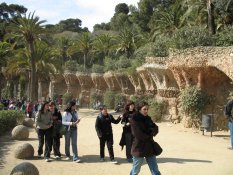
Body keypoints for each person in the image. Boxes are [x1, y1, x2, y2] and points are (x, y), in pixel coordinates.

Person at [130, 101, 161, 175]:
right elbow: (138, 134)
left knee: (155, 170)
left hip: (149, 147)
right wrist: (150, 134)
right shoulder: (134, 119)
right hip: (139, 148)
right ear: (140, 109)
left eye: (147, 109)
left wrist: (152, 131)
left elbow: (155, 128)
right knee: (135, 170)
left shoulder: (148, 118)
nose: (146, 111)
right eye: (144, 109)